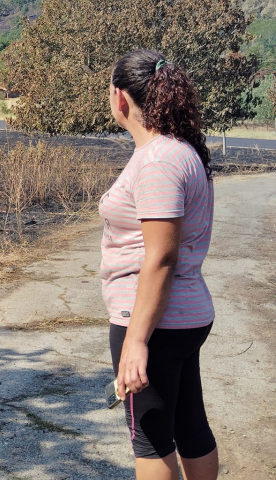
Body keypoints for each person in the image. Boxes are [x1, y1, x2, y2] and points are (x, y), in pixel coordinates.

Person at [99, 49, 218, 480]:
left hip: (153, 321)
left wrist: (136, 341)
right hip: (181, 318)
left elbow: (162, 256)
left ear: (121, 98)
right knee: (189, 427)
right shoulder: (180, 151)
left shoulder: (158, 162)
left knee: (151, 442)